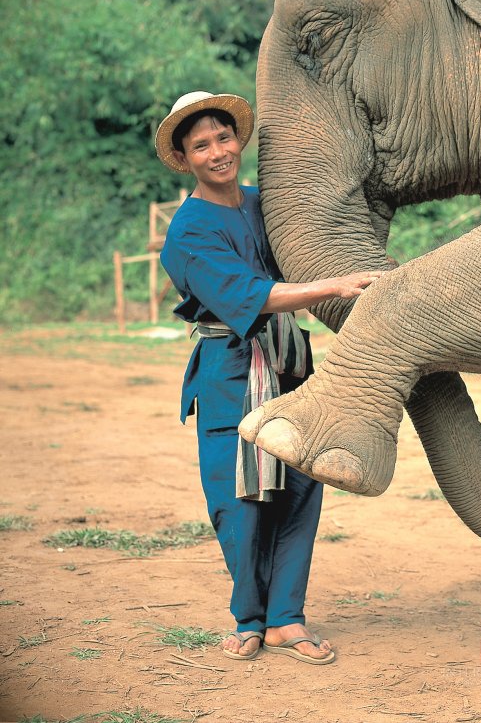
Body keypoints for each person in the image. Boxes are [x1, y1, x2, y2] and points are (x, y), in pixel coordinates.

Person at [155, 91, 383, 664]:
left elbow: (312, 242)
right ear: (184, 158)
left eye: (224, 138)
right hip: (230, 371)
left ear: (240, 141)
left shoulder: (264, 205)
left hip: (291, 363)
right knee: (239, 499)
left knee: (303, 484)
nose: (218, 152)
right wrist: (334, 288)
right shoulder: (189, 230)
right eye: (201, 144)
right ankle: (248, 617)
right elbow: (248, 295)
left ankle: (285, 619)